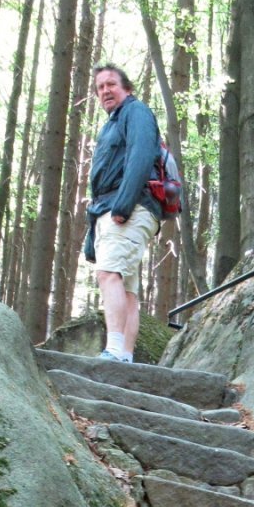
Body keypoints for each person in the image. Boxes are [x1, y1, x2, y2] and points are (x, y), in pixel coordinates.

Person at [85, 64, 161, 362]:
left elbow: (141, 155)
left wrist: (123, 205)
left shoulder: (136, 112)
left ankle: (114, 349)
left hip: (127, 207)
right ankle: (125, 355)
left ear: (126, 88)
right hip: (114, 207)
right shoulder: (114, 122)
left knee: (108, 273)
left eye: (111, 84)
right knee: (125, 285)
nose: (105, 90)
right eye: (100, 87)